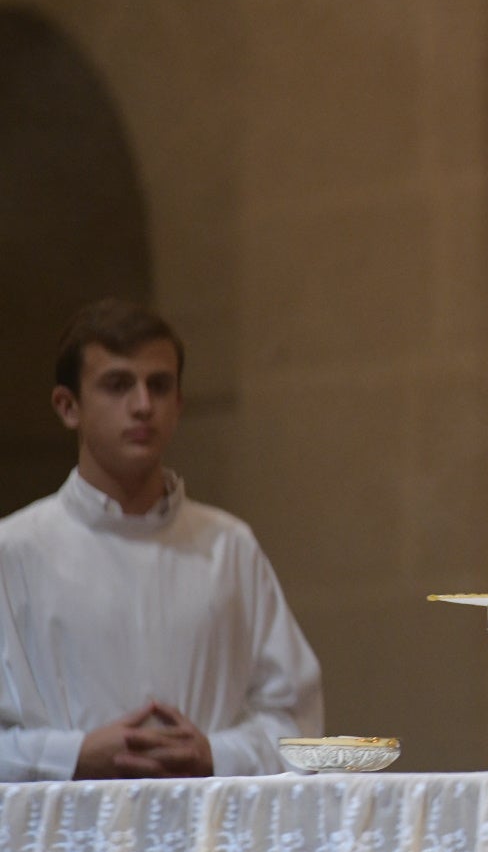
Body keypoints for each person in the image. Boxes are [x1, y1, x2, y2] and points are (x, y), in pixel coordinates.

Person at [0, 298, 323, 781]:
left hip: (210, 824)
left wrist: (214, 753)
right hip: (68, 827)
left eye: (159, 385)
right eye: (118, 385)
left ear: (179, 404)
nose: (143, 406)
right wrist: (75, 755)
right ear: (68, 407)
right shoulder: (14, 552)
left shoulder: (229, 547)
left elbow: (299, 724)